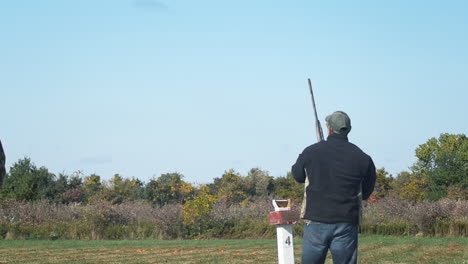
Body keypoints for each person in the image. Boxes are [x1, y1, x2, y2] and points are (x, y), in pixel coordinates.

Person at [292, 111, 376, 264]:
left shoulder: (311, 151)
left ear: (329, 128)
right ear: (349, 129)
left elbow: (297, 175)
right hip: (347, 222)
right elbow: (365, 193)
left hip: (316, 221)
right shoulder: (363, 157)